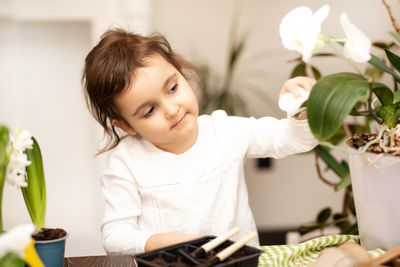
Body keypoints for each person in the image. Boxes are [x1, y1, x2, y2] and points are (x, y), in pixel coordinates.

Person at [82, 28, 318, 255]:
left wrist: (301, 109)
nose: (172, 110)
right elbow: (115, 238)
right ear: (125, 125)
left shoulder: (224, 130)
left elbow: (293, 140)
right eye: (149, 111)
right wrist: (168, 242)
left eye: (173, 88)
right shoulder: (126, 162)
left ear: (181, 74)